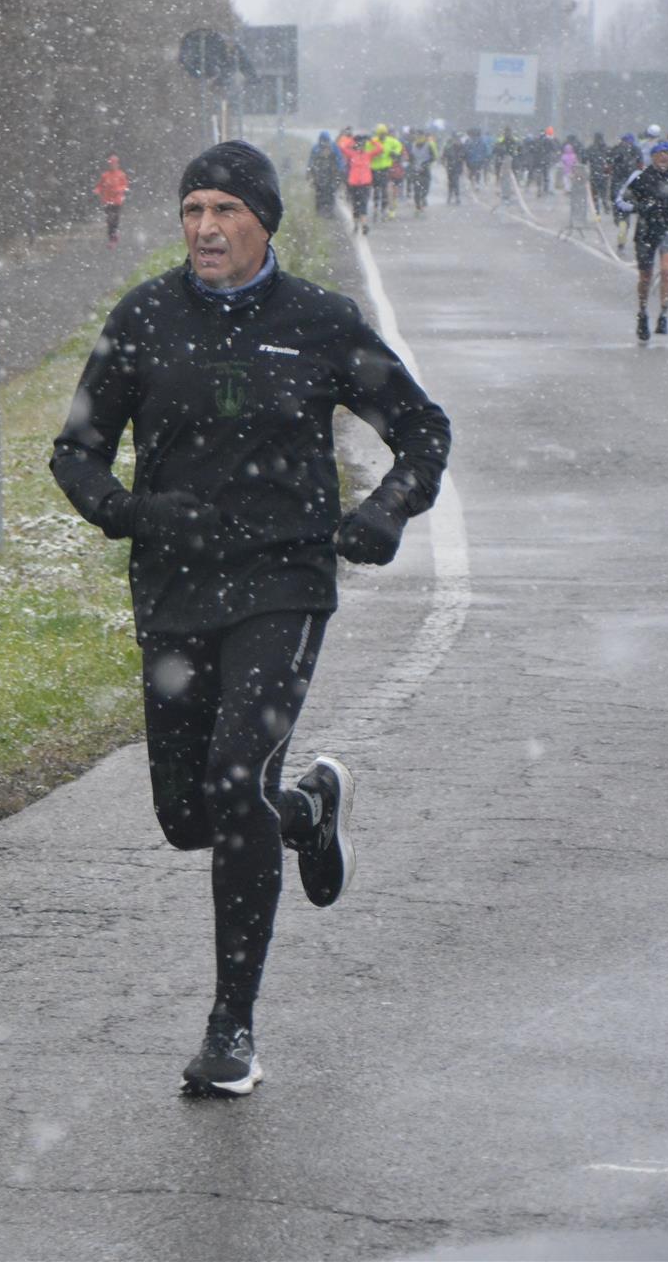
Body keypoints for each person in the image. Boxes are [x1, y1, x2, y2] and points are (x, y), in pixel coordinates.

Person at [49, 141, 451, 1098]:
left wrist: (387, 512)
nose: (207, 228)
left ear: (263, 221)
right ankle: (304, 812)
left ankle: (232, 1028)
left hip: (283, 583)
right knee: (188, 816)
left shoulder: (318, 320)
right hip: (175, 586)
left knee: (236, 779)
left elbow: (423, 430)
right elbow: (76, 452)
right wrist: (133, 513)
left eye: (226, 209)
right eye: (193, 209)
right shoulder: (144, 317)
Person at [616, 142, 668, 340]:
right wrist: (639, 207)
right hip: (646, 230)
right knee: (645, 276)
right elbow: (621, 201)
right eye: (660, 154)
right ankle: (642, 313)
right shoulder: (640, 176)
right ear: (653, 156)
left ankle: (664, 314)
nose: (664, 157)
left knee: (666, 271)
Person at [337, 127, 376, 235]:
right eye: (359, 145)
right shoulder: (352, 155)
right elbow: (341, 147)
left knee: (363, 204)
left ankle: (364, 225)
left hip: (365, 184)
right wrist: (352, 139)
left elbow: (380, 148)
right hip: (353, 184)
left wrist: (371, 140)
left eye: (362, 145)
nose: (360, 147)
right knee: (355, 205)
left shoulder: (368, 155)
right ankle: (356, 224)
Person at [95, 155, 131, 246]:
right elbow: (100, 185)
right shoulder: (105, 175)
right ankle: (112, 237)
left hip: (117, 201)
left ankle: (114, 235)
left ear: (117, 164)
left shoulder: (121, 174)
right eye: (111, 163)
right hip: (107, 201)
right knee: (109, 219)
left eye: (114, 163)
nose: (112, 165)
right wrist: (97, 190)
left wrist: (119, 189)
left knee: (115, 218)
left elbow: (125, 185)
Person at [370, 124, 402, 219]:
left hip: (385, 168)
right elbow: (366, 149)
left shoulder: (390, 141)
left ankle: (383, 208)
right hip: (374, 168)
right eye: (380, 134)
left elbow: (398, 145)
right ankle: (376, 207)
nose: (382, 136)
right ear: (377, 134)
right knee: (376, 190)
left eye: (384, 134)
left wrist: (395, 153)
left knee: (384, 190)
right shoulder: (373, 141)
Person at [308, 131, 342, 217]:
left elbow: (339, 160)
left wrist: (340, 171)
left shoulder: (332, 147)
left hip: (329, 175)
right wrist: (310, 172)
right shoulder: (317, 148)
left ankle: (328, 211)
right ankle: (322, 211)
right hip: (321, 175)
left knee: (329, 193)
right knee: (322, 193)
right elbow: (311, 161)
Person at [443, 130, 467, 205]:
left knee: (455, 181)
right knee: (450, 182)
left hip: (457, 167)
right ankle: (450, 195)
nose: (457, 141)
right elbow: (444, 155)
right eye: (456, 139)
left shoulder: (461, 146)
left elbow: (465, 155)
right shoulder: (448, 145)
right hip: (450, 167)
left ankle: (456, 196)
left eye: (458, 139)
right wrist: (444, 161)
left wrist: (461, 157)